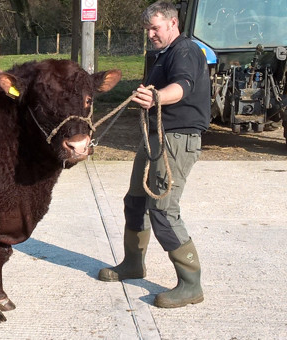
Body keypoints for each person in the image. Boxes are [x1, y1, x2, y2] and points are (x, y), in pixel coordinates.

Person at [98, 1, 211, 308]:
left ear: (173, 24)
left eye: (155, 28)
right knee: (135, 202)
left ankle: (191, 284)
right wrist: (148, 94)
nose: (150, 34)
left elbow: (183, 87)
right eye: (147, 29)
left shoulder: (185, 51)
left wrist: (158, 95)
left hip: (177, 139)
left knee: (162, 209)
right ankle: (133, 263)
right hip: (155, 137)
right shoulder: (162, 56)